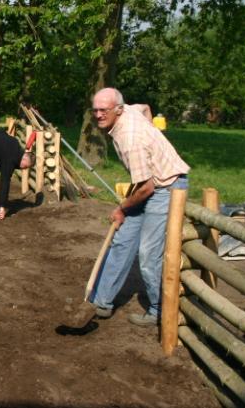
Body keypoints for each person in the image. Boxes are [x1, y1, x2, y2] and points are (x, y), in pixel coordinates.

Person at [88, 88, 189, 327]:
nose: (99, 115)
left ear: (118, 110)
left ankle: (158, 310)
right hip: (148, 183)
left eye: (104, 110)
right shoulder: (130, 111)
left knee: (147, 254)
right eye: (96, 110)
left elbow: (147, 189)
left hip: (166, 187)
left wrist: (121, 209)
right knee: (122, 240)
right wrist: (154, 133)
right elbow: (144, 106)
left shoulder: (129, 139)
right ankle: (101, 301)